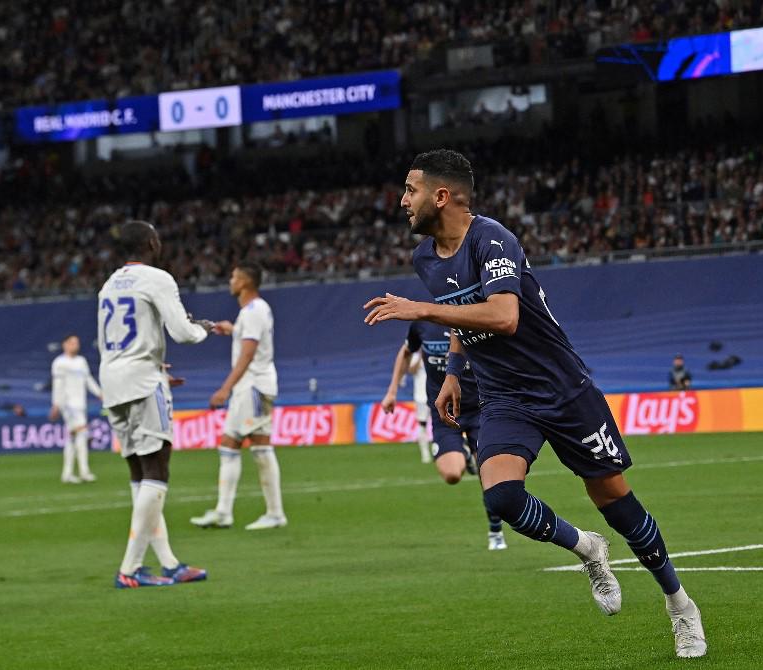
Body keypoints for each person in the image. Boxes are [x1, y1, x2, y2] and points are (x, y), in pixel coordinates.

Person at [364, 149, 705, 658]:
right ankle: (586, 548)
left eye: (410, 190)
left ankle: (680, 605)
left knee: (616, 502)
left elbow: (504, 316)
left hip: (562, 389)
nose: (402, 200)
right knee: (500, 497)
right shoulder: (423, 257)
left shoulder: (493, 238)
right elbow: (461, 314)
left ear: (441, 195)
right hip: (504, 396)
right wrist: (454, 372)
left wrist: (420, 310)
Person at [99, 220, 211, 588]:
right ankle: (128, 571)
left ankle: (169, 563)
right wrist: (205, 329)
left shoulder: (109, 284)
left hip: (112, 380)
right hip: (142, 382)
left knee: (139, 473)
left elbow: (113, 339)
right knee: (158, 470)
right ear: (151, 242)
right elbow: (182, 333)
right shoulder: (157, 278)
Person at [380, 320, 507, 550]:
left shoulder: (471, 317)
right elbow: (406, 352)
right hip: (444, 412)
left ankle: (495, 531)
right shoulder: (422, 324)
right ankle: (466, 456)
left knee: (488, 475)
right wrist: (392, 391)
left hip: (480, 408)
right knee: (451, 475)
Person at [191, 262, 287, 531]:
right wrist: (232, 330)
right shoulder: (252, 312)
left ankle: (275, 513)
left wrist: (225, 388)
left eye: (234, 276)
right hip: (250, 387)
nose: (230, 280)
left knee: (259, 447)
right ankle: (223, 512)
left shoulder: (254, 311)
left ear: (245, 282)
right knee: (230, 444)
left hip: (254, 386)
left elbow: (248, 354)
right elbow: (249, 341)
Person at [49, 334, 102, 483]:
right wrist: (56, 404)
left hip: (80, 404)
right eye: (72, 342)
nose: (75, 345)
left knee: (73, 437)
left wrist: (99, 393)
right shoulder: (59, 363)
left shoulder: (81, 361)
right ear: (64, 344)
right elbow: (58, 386)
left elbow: (88, 379)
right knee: (82, 433)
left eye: (76, 342)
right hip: (68, 405)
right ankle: (84, 471)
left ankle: (67, 474)